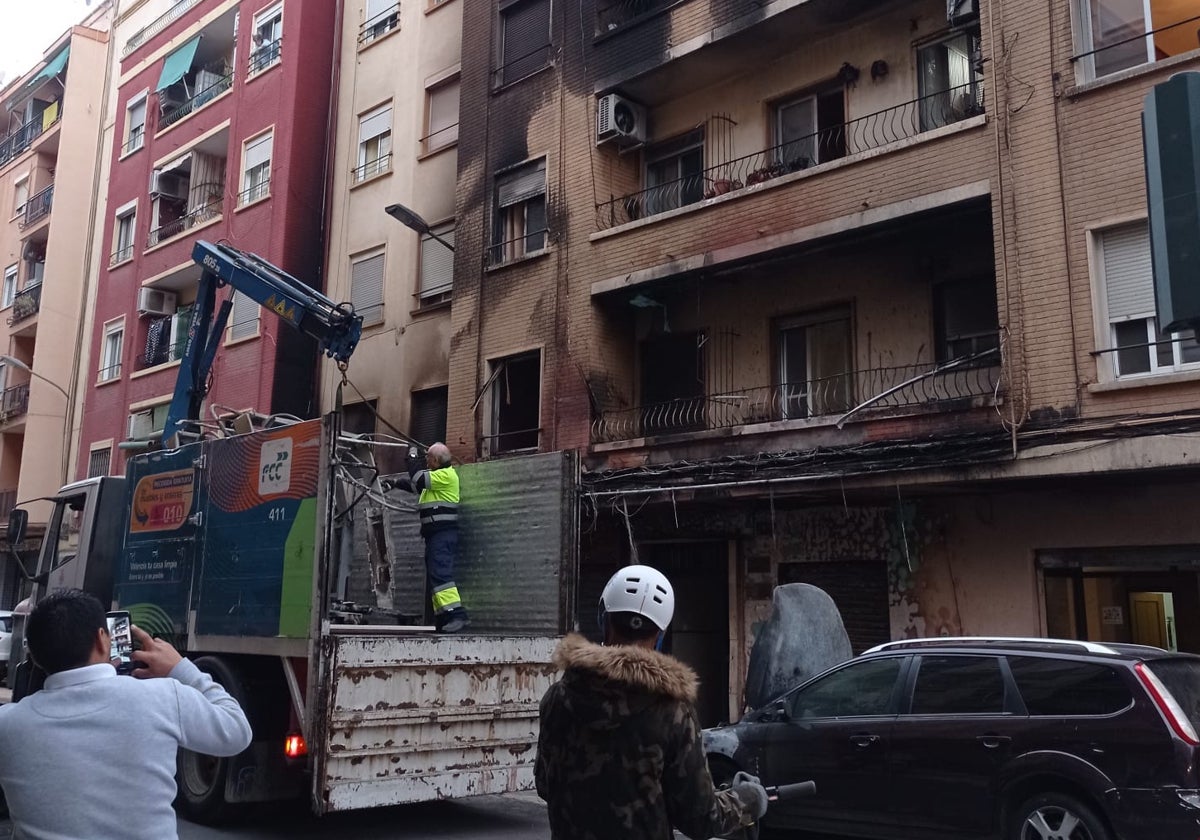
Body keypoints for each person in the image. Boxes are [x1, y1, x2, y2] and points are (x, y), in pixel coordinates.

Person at [535, 564, 768, 840]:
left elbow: (544, 785)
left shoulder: (558, 698)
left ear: (604, 620)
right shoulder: (673, 712)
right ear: (660, 636)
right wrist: (747, 800)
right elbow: (701, 819)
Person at [0, 589, 252, 840]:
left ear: (34, 654)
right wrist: (180, 668)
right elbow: (237, 731)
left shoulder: (9, 725)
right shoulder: (164, 697)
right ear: (101, 639)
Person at [397, 442, 469, 633]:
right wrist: (394, 483)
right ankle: (443, 617)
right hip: (435, 535)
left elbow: (419, 479)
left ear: (436, 460)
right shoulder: (438, 478)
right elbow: (417, 486)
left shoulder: (446, 475)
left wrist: (412, 456)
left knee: (441, 574)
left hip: (442, 535)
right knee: (436, 576)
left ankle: (456, 614)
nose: (426, 461)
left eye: (428, 458)